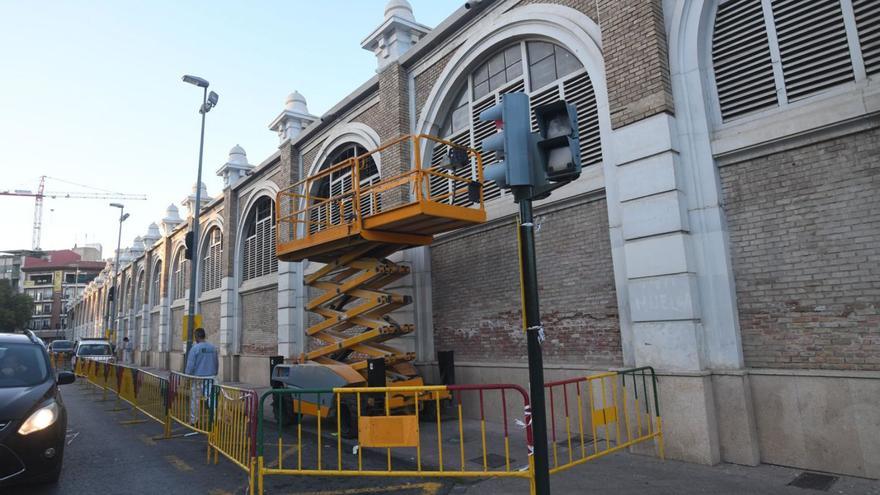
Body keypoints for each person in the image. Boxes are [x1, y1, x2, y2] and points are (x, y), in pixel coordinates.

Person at [184, 327, 219, 425]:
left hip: (198, 378)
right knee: (212, 398)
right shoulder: (212, 347)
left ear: (196, 337)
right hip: (211, 378)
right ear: (204, 335)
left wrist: (187, 377)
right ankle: (215, 419)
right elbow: (216, 362)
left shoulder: (195, 348)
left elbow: (190, 365)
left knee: (195, 399)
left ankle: (194, 420)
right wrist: (215, 372)